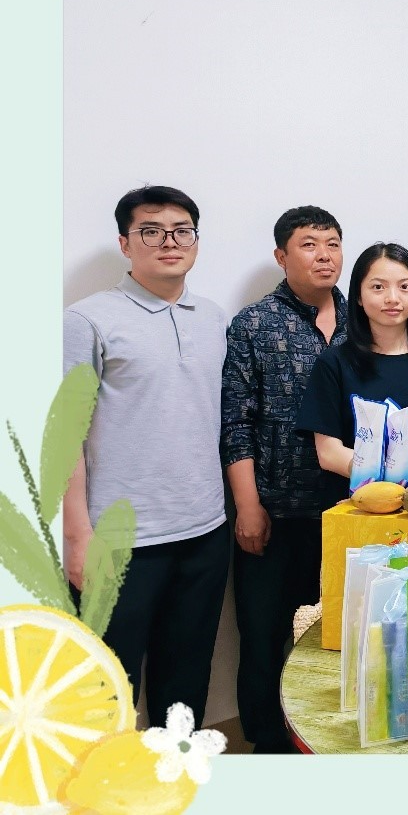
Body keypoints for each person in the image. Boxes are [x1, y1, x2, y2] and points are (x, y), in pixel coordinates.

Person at [62, 184, 229, 729]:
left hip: (205, 529)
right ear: (125, 243)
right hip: (119, 541)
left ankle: (174, 772)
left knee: (186, 684)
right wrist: (77, 538)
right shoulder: (87, 320)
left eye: (182, 231)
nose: (169, 242)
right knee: (105, 690)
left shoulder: (213, 317)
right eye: (151, 231)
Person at [220, 205, 347, 754]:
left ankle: (325, 741)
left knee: (334, 633)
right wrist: (248, 506)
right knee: (266, 633)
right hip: (275, 508)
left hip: (347, 509)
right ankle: (268, 745)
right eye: (309, 245)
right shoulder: (254, 323)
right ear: (281, 256)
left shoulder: (361, 317)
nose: (324, 255)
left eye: (332, 244)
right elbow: (236, 421)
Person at [297, 243, 408, 497]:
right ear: (358, 297)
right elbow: (329, 453)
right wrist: (388, 478)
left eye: (405, 287)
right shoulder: (333, 363)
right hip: (358, 505)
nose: (393, 298)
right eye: (378, 287)